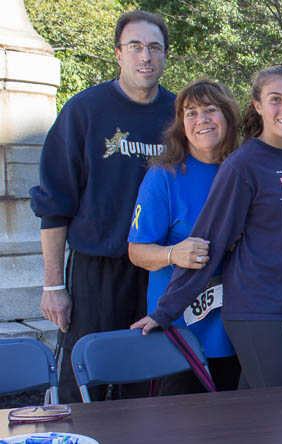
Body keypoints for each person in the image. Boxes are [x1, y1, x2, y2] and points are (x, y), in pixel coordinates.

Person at [131, 66, 282, 389]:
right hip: (254, 306)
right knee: (281, 406)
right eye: (275, 99)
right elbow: (210, 240)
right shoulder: (241, 165)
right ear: (258, 105)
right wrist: (165, 311)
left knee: (250, 412)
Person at [29, 10, 175, 403]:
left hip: (158, 269)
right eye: (135, 47)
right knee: (82, 380)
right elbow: (54, 205)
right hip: (98, 269)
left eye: (154, 47)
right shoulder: (85, 111)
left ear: (164, 55)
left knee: (148, 380)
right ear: (118, 54)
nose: (145, 56)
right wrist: (53, 285)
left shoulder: (180, 116)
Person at [127, 79, 241, 393]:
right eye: (190, 113)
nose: (201, 119)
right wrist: (172, 253)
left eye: (210, 110)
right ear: (181, 124)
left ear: (227, 117)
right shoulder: (164, 176)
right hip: (179, 329)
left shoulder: (245, 171)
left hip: (238, 328)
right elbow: (137, 251)